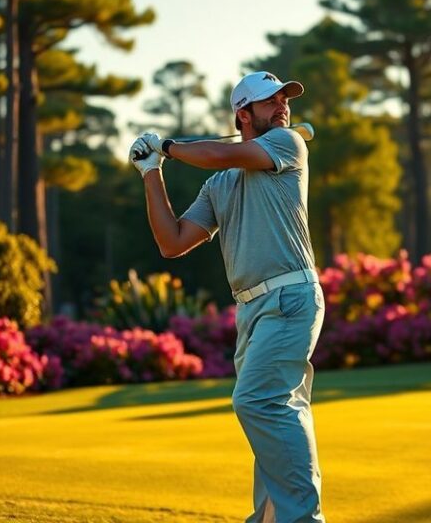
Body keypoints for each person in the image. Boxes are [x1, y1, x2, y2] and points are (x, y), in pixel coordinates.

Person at [128, 71, 326, 523]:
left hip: (290, 297)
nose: (282, 108)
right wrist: (151, 171)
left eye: (284, 100)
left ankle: (303, 519)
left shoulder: (288, 145)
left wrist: (169, 147)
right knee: (272, 415)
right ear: (243, 114)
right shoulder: (218, 186)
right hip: (252, 309)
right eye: (269, 102)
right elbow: (173, 241)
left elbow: (219, 153)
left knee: (257, 402)